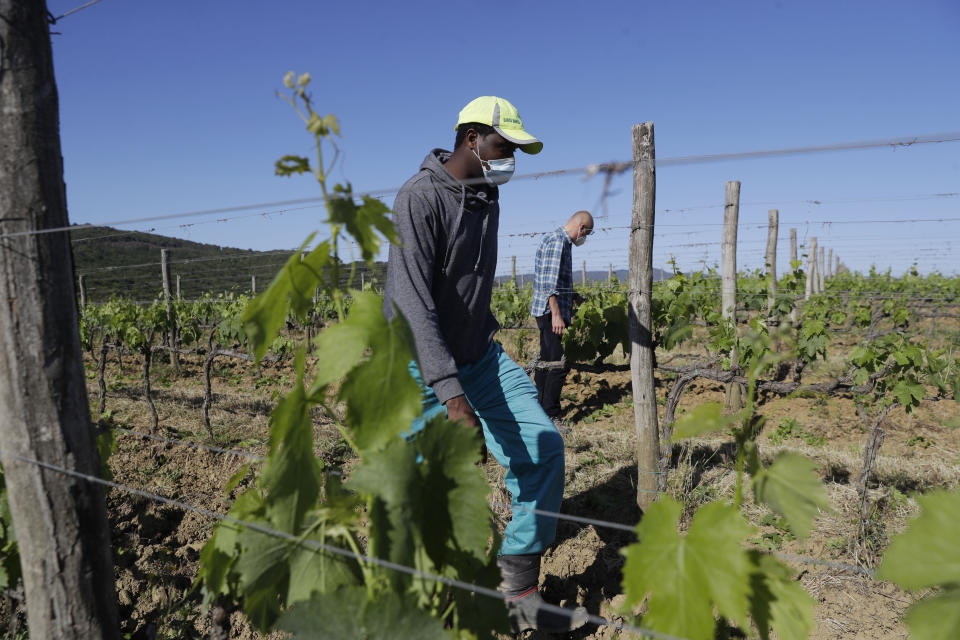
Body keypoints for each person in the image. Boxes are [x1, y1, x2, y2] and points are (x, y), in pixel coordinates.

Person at [383, 96, 587, 634]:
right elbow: (412, 303)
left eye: (517, 151)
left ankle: (518, 587)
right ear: (471, 138)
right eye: (504, 147)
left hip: (481, 357)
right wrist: (450, 393)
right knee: (425, 498)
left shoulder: (486, 195)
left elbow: (468, 285)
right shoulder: (418, 198)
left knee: (545, 447)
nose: (510, 160)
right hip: (419, 369)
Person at [530, 211, 594, 427]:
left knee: (547, 361)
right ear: (581, 229)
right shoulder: (558, 242)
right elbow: (549, 284)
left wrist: (574, 296)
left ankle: (537, 408)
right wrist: (556, 314)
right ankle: (552, 415)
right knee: (557, 363)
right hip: (551, 314)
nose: (584, 238)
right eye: (587, 234)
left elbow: (558, 279)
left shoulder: (560, 242)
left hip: (549, 311)